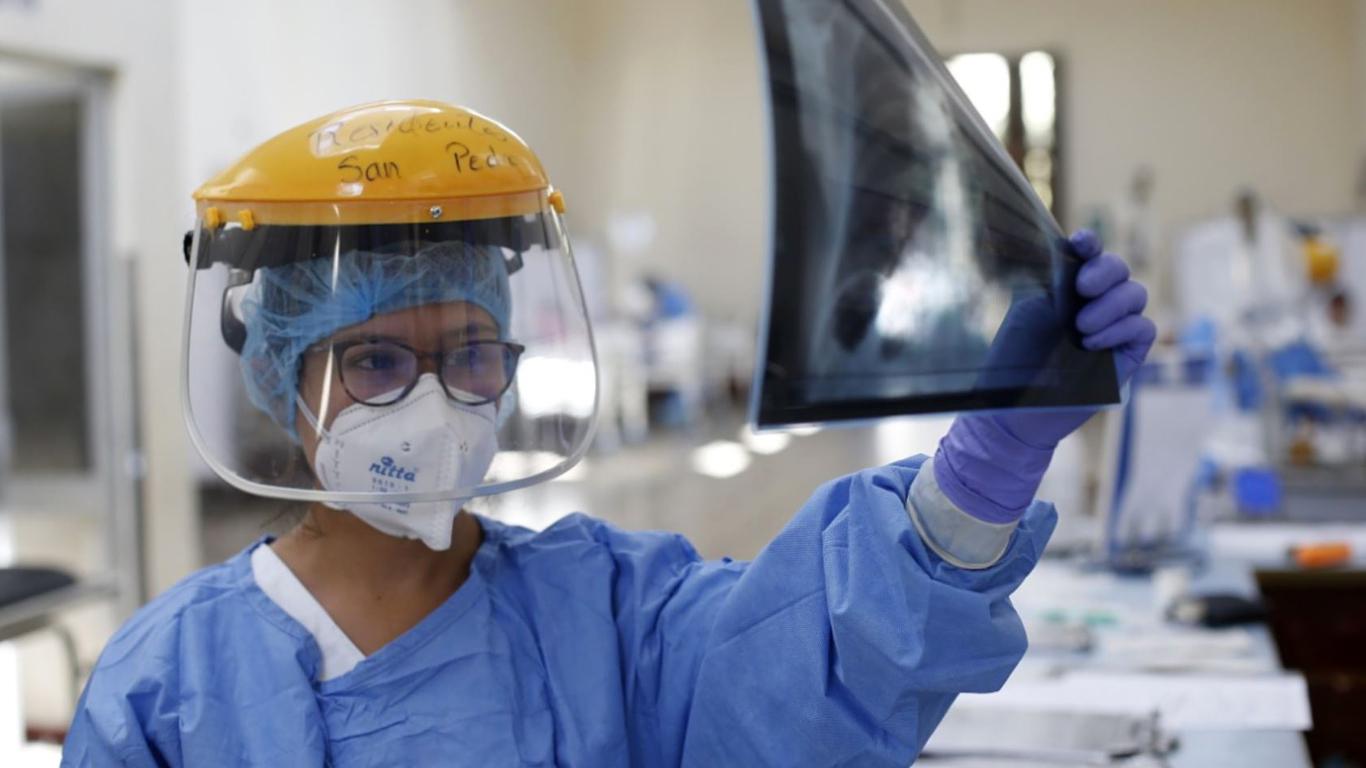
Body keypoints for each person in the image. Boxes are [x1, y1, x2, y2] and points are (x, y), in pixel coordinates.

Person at [62, 100, 1155, 767]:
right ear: (279, 379)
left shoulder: (613, 617)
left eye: (471, 353)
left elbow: (820, 670)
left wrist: (992, 460)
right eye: (379, 362)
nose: (436, 404)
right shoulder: (169, 687)